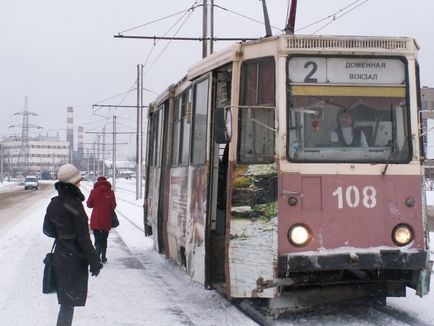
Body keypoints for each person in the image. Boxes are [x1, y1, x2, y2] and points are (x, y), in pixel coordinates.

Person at [43, 163, 103, 326]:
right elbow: (84, 238)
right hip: (73, 259)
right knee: (68, 304)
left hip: (61, 257)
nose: (79, 183)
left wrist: (62, 234)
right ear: (72, 183)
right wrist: (95, 262)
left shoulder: (53, 203)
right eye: (78, 181)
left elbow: (47, 230)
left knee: (66, 302)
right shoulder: (75, 205)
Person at [87, 176, 117, 263]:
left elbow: (89, 205)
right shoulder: (110, 192)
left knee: (97, 237)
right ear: (106, 181)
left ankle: (97, 255)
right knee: (104, 238)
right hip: (107, 218)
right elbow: (113, 206)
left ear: (97, 182)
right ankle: (103, 257)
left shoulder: (93, 191)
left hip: (96, 218)